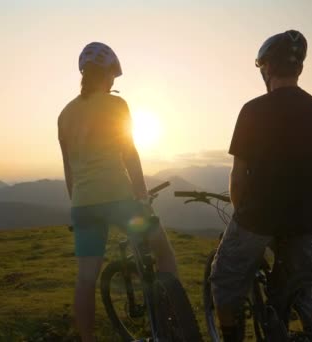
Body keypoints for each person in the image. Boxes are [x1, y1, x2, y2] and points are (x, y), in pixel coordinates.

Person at [210, 30, 312, 342]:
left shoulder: (253, 110)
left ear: (266, 69)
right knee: (303, 285)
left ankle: (230, 337)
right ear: (299, 69)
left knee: (222, 282)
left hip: (258, 215)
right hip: (306, 219)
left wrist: (243, 218)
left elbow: (238, 179)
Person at [58, 42, 178, 342]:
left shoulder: (64, 115)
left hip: (84, 204)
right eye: (113, 76)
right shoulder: (117, 106)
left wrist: (77, 203)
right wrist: (142, 194)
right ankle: (174, 317)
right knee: (162, 250)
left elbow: (68, 168)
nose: (114, 82)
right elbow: (129, 153)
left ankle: (87, 339)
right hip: (120, 198)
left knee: (86, 278)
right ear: (109, 75)